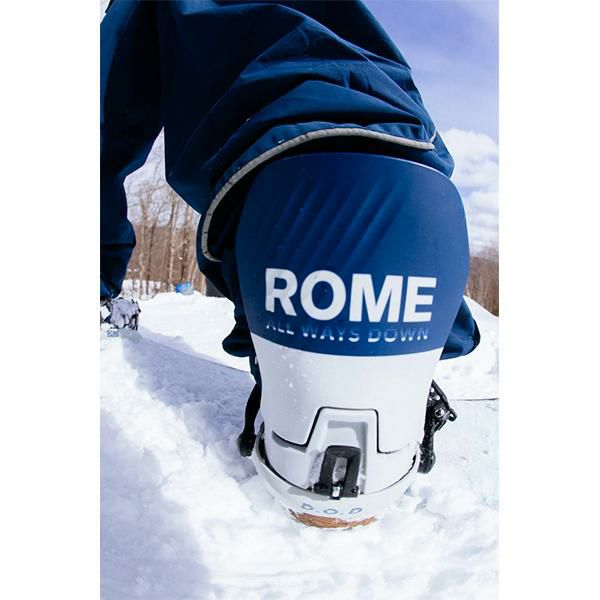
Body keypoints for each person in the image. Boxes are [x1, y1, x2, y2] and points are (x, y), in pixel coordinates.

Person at [101, 0, 479, 527]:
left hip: (271, 170)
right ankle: (376, 385)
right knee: (361, 147)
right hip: (407, 164)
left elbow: (105, 122)